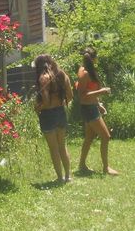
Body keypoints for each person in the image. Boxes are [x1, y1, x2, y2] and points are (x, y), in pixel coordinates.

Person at [76, 47, 118, 175]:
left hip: (92, 106)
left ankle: (82, 166)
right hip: (88, 109)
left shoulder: (89, 71)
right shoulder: (84, 73)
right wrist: (101, 92)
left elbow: (89, 92)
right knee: (105, 136)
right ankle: (106, 168)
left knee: (89, 137)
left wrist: (98, 103)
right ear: (94, 59)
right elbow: (81, 95)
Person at [33, 54, 73, 183]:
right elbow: (70, 95)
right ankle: (68, 176)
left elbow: (46, 100)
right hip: (61, 112)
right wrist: (60, 103)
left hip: (48, 115)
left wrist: (38, 107)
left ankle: (59, 178)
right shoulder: (62, 75)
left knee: (53, 148)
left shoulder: (43, 78)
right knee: (62, 145)